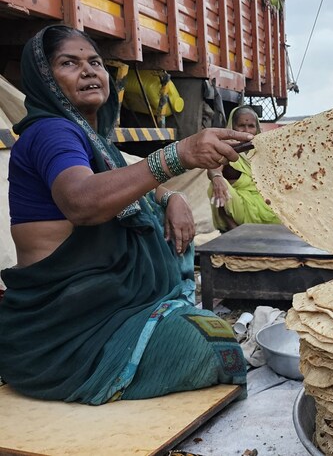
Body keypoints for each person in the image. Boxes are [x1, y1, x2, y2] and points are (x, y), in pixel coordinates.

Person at [0, 25, 248, 404]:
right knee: (214, 347)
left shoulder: (93, 140)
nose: (88, 71)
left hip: (105, 314)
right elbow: (82, 201)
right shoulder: (52, 132)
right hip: (71, 335)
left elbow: (121, 180)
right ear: (45, 80)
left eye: (95, 62)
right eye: (69, 63)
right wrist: (177, 155)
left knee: (212, 336)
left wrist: (171, 199)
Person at [207, 106, 281, 232]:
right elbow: (213, 169)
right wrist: (217, 178)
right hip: (239, 206)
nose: (246, 130)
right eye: (241, 125)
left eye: (251, 126)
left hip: (265, 204)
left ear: (257, 128)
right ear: (232, 127)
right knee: (215, 185)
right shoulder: (225, 147)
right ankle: (233, 231)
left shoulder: (264, 149)